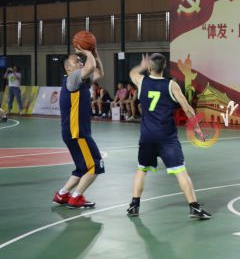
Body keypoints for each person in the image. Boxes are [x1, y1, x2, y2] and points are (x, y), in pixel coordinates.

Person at [126, 53, 211, 219]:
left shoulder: (141, 81)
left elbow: (132, 73)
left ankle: (134, 206)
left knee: (141, 170)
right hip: (166, 137)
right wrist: (196, 127)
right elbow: (187, 108)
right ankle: (194, 207)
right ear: (164, 68)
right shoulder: (171, 85)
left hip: (147, 136)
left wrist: (142, 66)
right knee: (180, 171)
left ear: (149, 67)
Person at [53, 46, 105, 208]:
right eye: (76, 61)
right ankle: (76, 197)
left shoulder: (80, 80)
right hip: (78, 133)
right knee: (96, 165)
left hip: (72, 132)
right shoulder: (73, 78)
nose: (80, 62)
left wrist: (94, 54)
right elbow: (90, 66)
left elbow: (99, 72)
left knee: (82, 168)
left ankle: (62, 194)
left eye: (80, 60)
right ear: (68, 68)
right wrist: (88, 53)